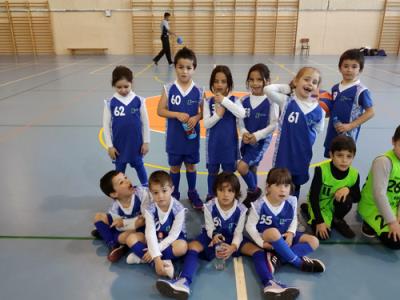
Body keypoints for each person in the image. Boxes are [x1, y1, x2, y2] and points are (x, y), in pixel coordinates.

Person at [156, 172, 299, 299]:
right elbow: (209, 227)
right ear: (215, 191)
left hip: (233, 239)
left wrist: (233, 247)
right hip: (212, 237)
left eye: (230, 191)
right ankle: (184, 281)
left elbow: (238, 232)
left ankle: (269, 282)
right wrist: (214, 236)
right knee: (192, 247)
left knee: (258, 251)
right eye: (221, 190)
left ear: (236, 192)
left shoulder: (241, 209)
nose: (225, 194)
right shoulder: (209, 206)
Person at [246, 168, 325, 274]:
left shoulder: (291, 201)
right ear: (268, 187)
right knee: (273, 231)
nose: (283, 190)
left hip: (285, 236)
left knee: (314, 241)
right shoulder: (259, 205)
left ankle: (278, 259)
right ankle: (298, 263)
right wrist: (261, 243)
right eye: (278, 185)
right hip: (268, 238)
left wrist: (291, 233)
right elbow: (249, 226)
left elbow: (293, 218)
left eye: (286, 186)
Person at [265, 67, 325, 198]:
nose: (310, 84)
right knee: (279, 184)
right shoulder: (286, 102)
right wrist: (288, 87)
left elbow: (317, 131)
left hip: (301, 157)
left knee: (294, 187)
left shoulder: (319, 111)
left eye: (314, 82)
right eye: (306, 79)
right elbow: (267, 89)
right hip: (283, 155)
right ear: (296, 81)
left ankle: (291, 212)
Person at [157, 47, 204, 209]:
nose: (184, 71)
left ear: (194, 69)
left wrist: (196, 117)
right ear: (175, 67)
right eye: (181, 67)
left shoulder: (199, 90)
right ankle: (174, 194)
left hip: (191, 137)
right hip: (175, 138)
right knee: (175, 167)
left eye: (188, 68)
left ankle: (192, 192)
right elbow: (160, 110)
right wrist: (176, 114)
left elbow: (203, 113)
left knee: (191, 165)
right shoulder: (168, 88)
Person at [125, 171, 188, 278]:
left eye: (164, 191)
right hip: (156, 237)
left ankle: (142, 258)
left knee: (182, 247)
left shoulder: (179, 209)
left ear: (172, 190)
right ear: (150, 193)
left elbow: (173, 235)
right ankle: (161, 263)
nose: (160, 196)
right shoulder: (150, 209)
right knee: (130, 238)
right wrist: (157, 258)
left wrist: (155, 252)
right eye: (155, 193)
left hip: (172, 240)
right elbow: (150, 233)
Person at [301, 135, 360, 240]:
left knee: (348, 200)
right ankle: (308, 211)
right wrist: (320, 221)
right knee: (323, 236)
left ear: (353, 156)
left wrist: (348, 189)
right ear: (331, 155)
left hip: (333, 205)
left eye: (349, 156)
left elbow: (357, 197)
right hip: (319, 204)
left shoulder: (354, 174)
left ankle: (338, 219)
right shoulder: (321, 170)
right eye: (340, 155)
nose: (344, 160)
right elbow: (313, 197)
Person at [238, 63, 279, 208]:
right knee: (252, 168)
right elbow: (240, 122)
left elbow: (274, 124)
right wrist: (243, 133)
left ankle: (254, 191)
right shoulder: (243, 101)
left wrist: (257, 135)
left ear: (266, 81)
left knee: (242, 167)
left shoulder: (271, 101)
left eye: (259, 80)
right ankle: (252, 197)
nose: (255, 83)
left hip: (260, 142)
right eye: (251, 79)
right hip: (246, 141)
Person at [204, 65, 245, 201]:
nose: (219, 84)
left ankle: (230, 197)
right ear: (212, 83)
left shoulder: (234, 101)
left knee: (229, 174)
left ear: (229, 84)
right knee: (212, 173)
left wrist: (224, 101)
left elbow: (241, 113)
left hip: (229, 147)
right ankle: (211, 196)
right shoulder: (208, 102)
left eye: (223, 81)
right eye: (216, 81)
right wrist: (218, 115)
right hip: (213, 146)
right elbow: (206, 124)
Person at [103, 65, 150, 186]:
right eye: (119, 87)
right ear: (113, 85)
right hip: (119, 146)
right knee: (119, 171)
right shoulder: (110, 103)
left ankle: (146, 188)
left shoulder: (139, 100)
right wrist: (110, 146)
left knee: (140, 166)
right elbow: (106, 125)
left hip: (136, 144)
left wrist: (146, 142)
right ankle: (119, 192)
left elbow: (145, 122)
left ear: (132, 83)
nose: (123, 90)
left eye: (126, 86)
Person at [323, 49, 375, 158]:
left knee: (343, 161)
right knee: (331, 158)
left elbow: (370, 112)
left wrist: (350, 126)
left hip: (348, 135)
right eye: (345, 66)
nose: (349, 70)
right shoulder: (335, 88)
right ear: (340, 68)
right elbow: (332, 110)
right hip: (332, 132)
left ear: (360, 69)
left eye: (354, 66)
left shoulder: (361, 90)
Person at [358, 125, 400, 250]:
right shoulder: (384, 161)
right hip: (374, 206)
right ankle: (368, 224)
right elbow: (379, 194)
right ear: (393, 141)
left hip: (394, 205)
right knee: (396, 241)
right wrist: (392, 222)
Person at [93, 170, 149, 262]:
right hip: (128, 226)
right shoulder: (114, 207)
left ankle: (107, 235)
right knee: (98, 217)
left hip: (143, 228)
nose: (127, 181)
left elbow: (144, 220)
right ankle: (113, 244)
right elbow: (119, 227)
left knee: (126, 237)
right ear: (114, 194)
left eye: (125, 177)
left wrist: (125, 223)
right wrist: (124, 224)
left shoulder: (142, 193)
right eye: (121, 182)